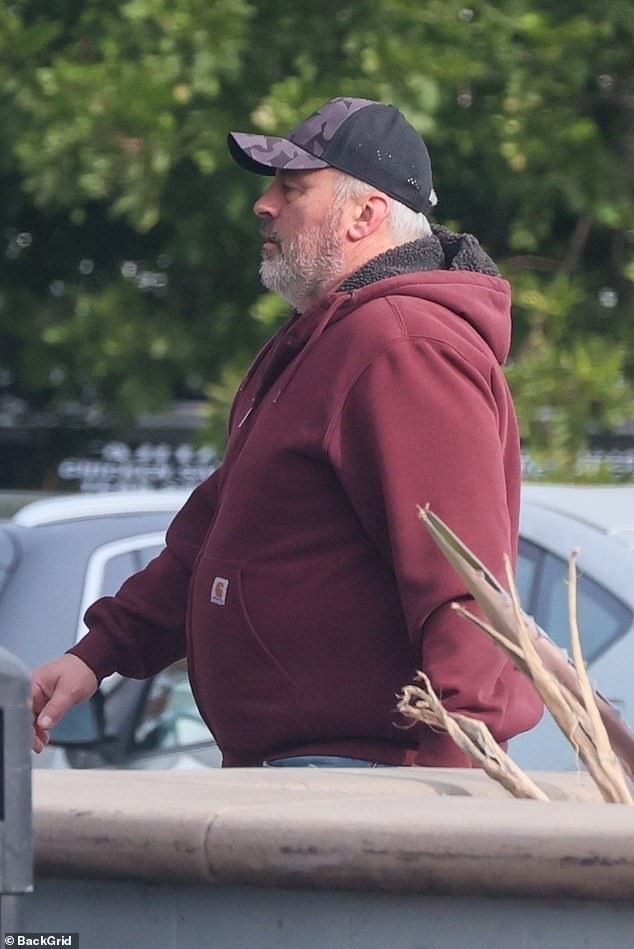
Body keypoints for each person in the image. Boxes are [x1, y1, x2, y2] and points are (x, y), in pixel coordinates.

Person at [32, 96, 543, 768]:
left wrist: (450, 801)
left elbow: (464, 585)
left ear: (367, 214)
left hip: (361, 781)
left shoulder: (401, 345)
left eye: (293, 187)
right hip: (313, 774)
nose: (263, 204)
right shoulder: (335, 342)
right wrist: (94, 657)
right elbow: (208, 545)